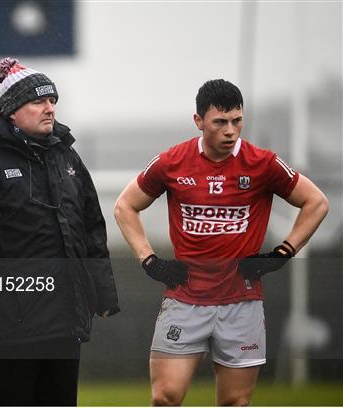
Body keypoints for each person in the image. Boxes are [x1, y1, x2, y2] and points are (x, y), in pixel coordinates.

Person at [114, 79, 328, 406]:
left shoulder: (263, 163)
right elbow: (124, 207)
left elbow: (316, 203)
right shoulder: (172, 162)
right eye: (220, 122)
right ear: (199, 122)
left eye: (237, 121)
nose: (230, 131)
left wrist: (283, 253)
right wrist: (150, 260)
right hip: (185, 300)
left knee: (235, 403)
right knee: (165, 397)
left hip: (242, 303)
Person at [0, 57, 120, 406]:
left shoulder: (67, 158)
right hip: (5, 324)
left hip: (64, 321)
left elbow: (90, 226)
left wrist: (102, 291)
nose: (49, 109)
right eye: (38, 101)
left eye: (52, 101)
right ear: (12, 110)